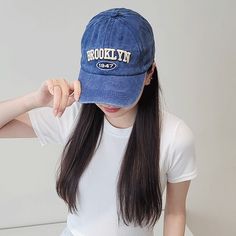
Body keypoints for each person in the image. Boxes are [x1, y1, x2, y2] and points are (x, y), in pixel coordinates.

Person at [0, 8, 198, 236]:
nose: (106, 101)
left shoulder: (175, 137)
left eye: (118, 88)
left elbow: (175, 212)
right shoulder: (72, 116)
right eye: (100, 86)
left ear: (149, 73)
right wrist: (33, 100)